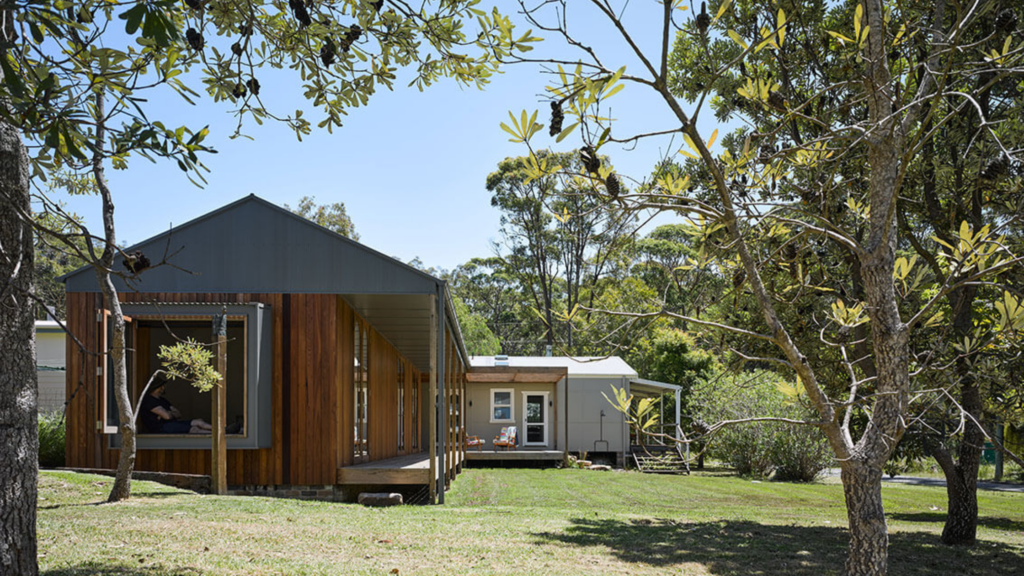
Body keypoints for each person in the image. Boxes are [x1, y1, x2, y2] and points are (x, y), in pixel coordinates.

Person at [140, 376, 215, 434]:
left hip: (172, 424)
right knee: (194, 429)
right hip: (161, 428)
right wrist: (170, 413)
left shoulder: (163, 400)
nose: (163, 388)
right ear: (158, 387)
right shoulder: (149, 401)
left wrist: (168, 413)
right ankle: (216, 435)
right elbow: (167, 416)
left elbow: (178, 413)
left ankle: (220, 430)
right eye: (161, 386)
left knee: (199, 422)